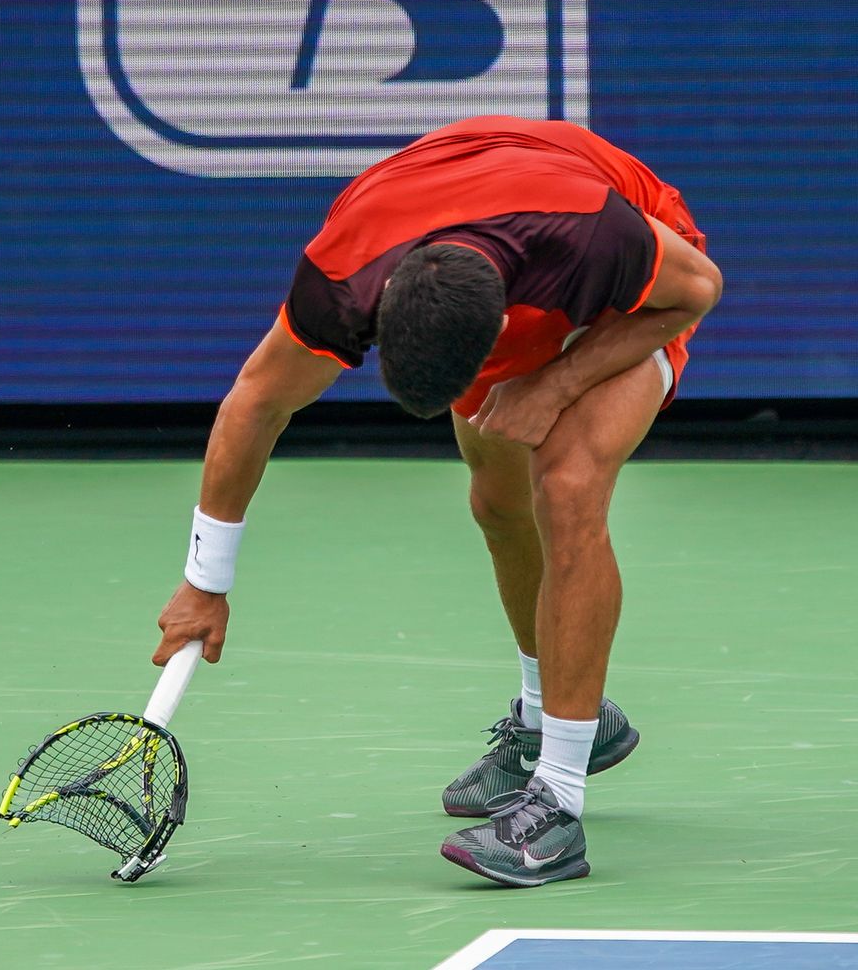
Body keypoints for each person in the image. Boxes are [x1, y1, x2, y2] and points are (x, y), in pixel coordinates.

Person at [151, 115, 722, 887]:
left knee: (566, 484)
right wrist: (204, 584)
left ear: (497, 323)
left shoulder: (591, 239)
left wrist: (552, 382)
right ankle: (541, 719)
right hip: (469, 230)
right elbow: (255, 403)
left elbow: (696, 292)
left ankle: (556, 805)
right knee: (497, 503)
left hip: (624, 287)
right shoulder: (342, 275)